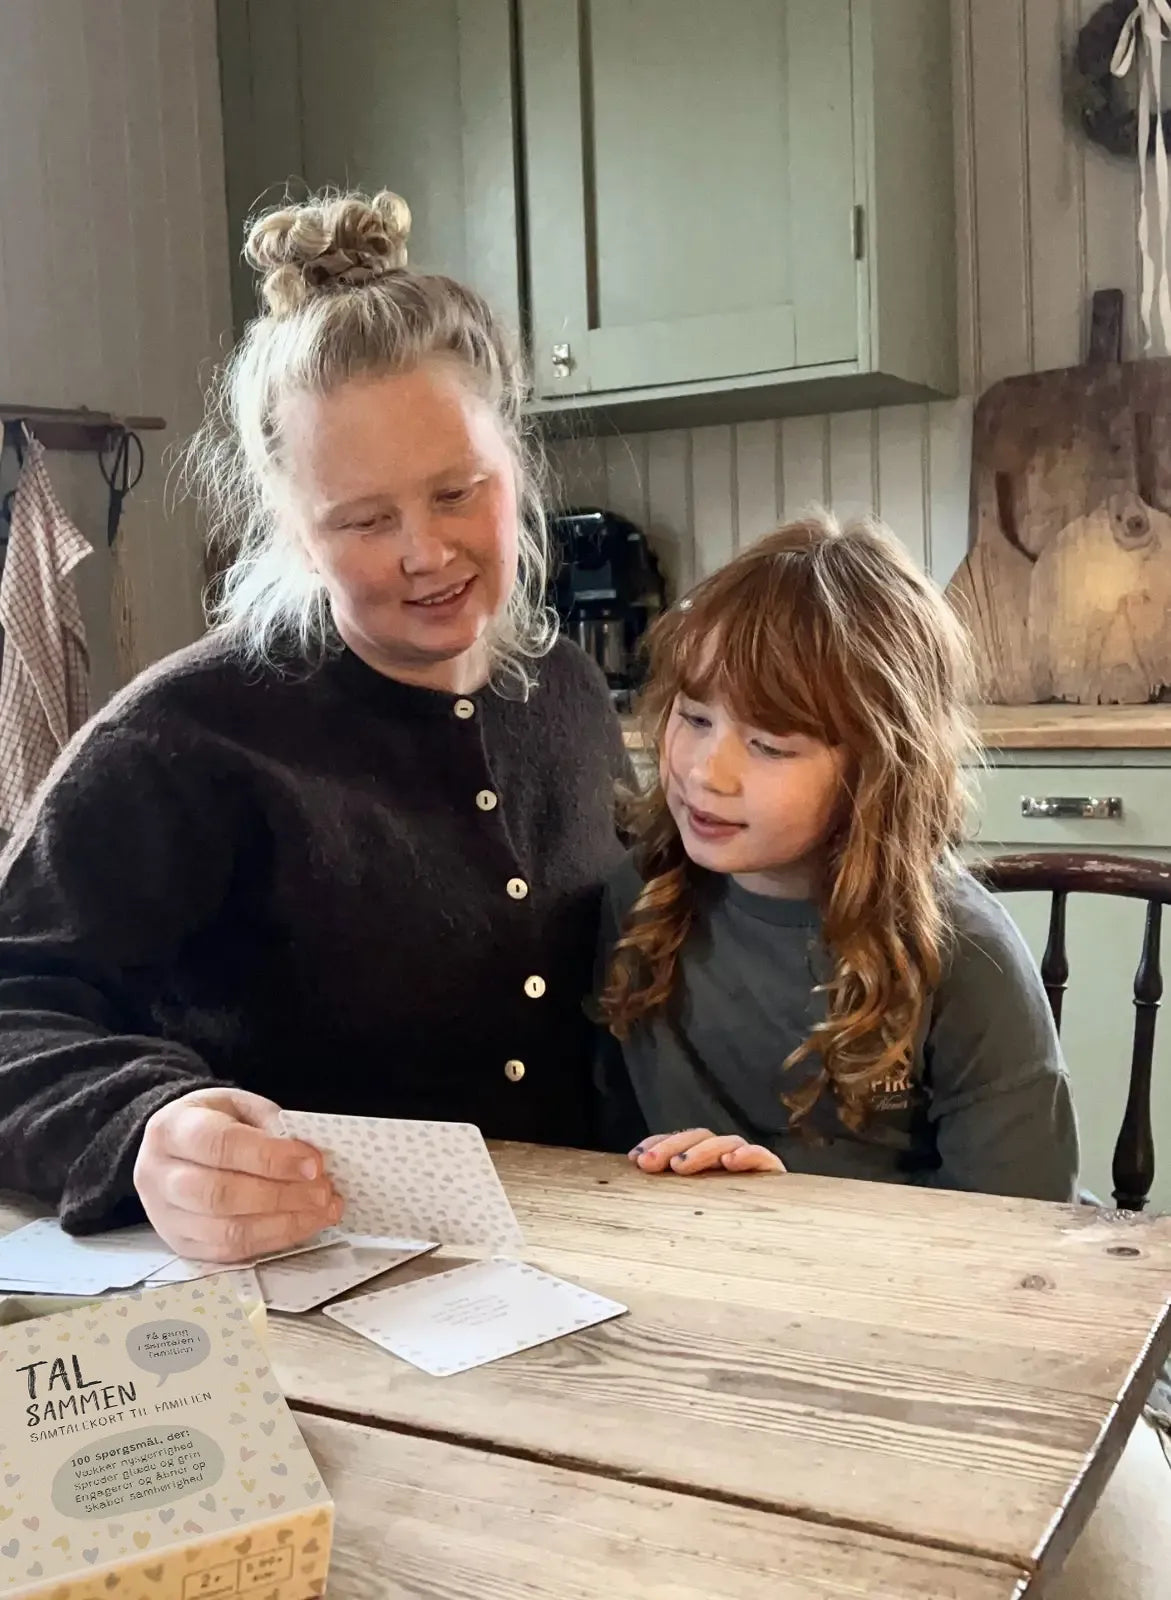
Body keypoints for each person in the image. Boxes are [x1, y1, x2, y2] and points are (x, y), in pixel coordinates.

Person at [0, 190, 627, 1262]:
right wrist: (148, 1127)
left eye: (457, 492)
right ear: (289, 525)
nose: (425, 552)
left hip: (596, 1269)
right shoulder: (179, 742)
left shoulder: (568, 692)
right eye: (365, 519)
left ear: (514, 462)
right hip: (314, 1294)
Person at [595, 514, 1080, 1200]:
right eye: (695, 717)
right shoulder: (637, 896)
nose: (706, 772)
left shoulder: (965, 954)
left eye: (769, 746)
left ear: (877, 768)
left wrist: (793, 1211)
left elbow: (1023, 1225)